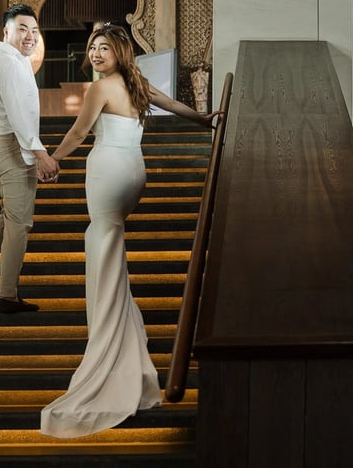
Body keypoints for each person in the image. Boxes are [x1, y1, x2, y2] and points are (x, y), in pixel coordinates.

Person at [40, 22, 220, 438]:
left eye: (104, 47)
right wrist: (205, 120)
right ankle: (119, 336)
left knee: (103, 245)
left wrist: (53, 159)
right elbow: (175, 105)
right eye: (93, 47)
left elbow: (80, 131)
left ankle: (108, 346)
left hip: (108, 171)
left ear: (120, 51)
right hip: (134, 171)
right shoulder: (137, 85)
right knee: (109, 245)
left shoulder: (100, 88)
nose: (97, 53)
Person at [0, 3, 59, 314]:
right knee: (20, 223)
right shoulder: (9, 64)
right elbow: (20, 116)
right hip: (10, 147)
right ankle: (7, 296)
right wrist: (41, 154)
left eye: (34, 30)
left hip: (1, 145)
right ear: (6, 31)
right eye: (22, 29)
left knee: (10, 214)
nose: (30, 36)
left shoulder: (13, 61)